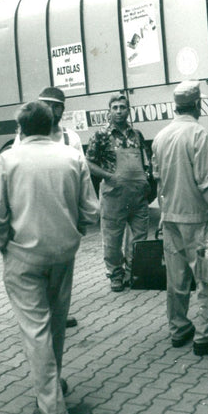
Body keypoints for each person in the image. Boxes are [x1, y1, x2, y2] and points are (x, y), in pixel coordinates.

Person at [0, 101, 99, 414]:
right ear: (52, 124)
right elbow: (91, 211)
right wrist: (74, 230)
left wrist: (1, 243)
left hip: (23, 255)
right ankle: (53, 383)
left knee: (35, 329)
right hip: (64, 254)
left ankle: (51, 409)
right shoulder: (72, 156)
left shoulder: (8, 160)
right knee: (56, 323)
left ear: (21, 127)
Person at [152, 81, 208, 356]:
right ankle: (207, 336)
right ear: (197, 105)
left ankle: (178, 329)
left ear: (175, 106)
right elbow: (205, 182)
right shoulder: (198, 134)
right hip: (197, 219)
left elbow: (159, 182)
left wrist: (162, 214)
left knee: (176, 279)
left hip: (170, 218)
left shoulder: (160, 137)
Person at [14, 86, 83, 328]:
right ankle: (43, 317)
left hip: (63, 217)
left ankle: (59, 313)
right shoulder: (22, 138)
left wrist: (80, 222)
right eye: (47, 105)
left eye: (57, 106)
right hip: (33, 216)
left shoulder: (70, 139)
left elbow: (81, 181)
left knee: (60, 276)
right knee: (37, 271)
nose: (52, 110)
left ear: (63, 110)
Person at [86, 93, 152, 292]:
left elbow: (145, 160)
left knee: (139, 236)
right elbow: (88, 162)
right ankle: (116, 275)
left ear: (128, 110)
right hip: (114, 195)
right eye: (114, 107)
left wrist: (146, 177)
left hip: (138, 196)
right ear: (109, 111)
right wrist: (108, 176)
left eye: (122, 107)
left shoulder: (136, 135)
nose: (119, 111)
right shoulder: (101, 135)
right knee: (113, 239)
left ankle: (134, 273)